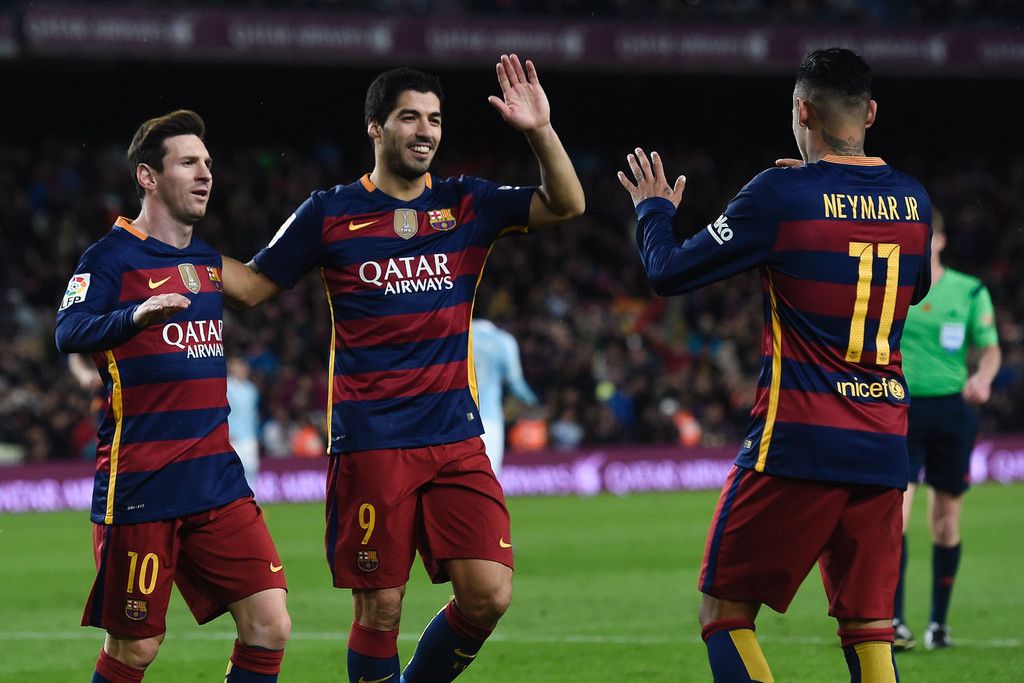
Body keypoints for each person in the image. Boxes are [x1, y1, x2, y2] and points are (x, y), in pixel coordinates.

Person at [222, 55, 584, 683]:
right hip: (372, 441)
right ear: (376, 127)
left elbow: (568, 203)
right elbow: (252, 287)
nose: (425, 131)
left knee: (489, 594)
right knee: (381, 608)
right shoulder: (329, 212)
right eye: (410, 118)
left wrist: (539, 131)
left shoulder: (466, 203)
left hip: (454, 436)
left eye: (435, 120)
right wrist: (175, 258)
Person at [618, 48, 931, 683]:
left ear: (802, 112)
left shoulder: (781, 194)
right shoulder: (915, 200)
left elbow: (667, 271)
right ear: (870, 112)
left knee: (725, 612)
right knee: (870, 629)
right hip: (883, 443)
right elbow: (913, 289)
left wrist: (653, 210)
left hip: (798, 441)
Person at [55, 110, 291, 683]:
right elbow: (68, 330)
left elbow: (261, 282)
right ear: (149, 176)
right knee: (136, 648)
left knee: (269, 623)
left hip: (216, 479)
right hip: (143, 484)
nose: (206, 173)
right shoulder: (110, 258)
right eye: (188, 162)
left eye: (207, 163)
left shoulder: (206, 263)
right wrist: (133, 316)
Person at [891, 210, 1001, 651]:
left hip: (952, 413)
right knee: (894, 518)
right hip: (899, 410)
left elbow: (990, 350)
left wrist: (984, 378)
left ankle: (938, 624)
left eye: (927, 235)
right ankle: (894, 621)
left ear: (940, 240)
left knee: (945, 522)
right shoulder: (890, 286)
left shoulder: (969, 290)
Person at [471, 317, 539, 476]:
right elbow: (515, 382)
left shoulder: (456, 336)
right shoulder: (502, 340)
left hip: (457, 421)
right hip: (488, 419)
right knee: (490, 476)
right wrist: (533, 402)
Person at [227, 356, 262, 491]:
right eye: (239, 366)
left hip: (249, 436)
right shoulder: (226, 387)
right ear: (231, 368)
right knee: (234, 471)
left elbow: (253, 415)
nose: (242, 369)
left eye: (243, 366)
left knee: (251, 469)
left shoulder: (251, 389)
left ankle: (253, 499)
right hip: (233, 436)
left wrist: (256, 435)